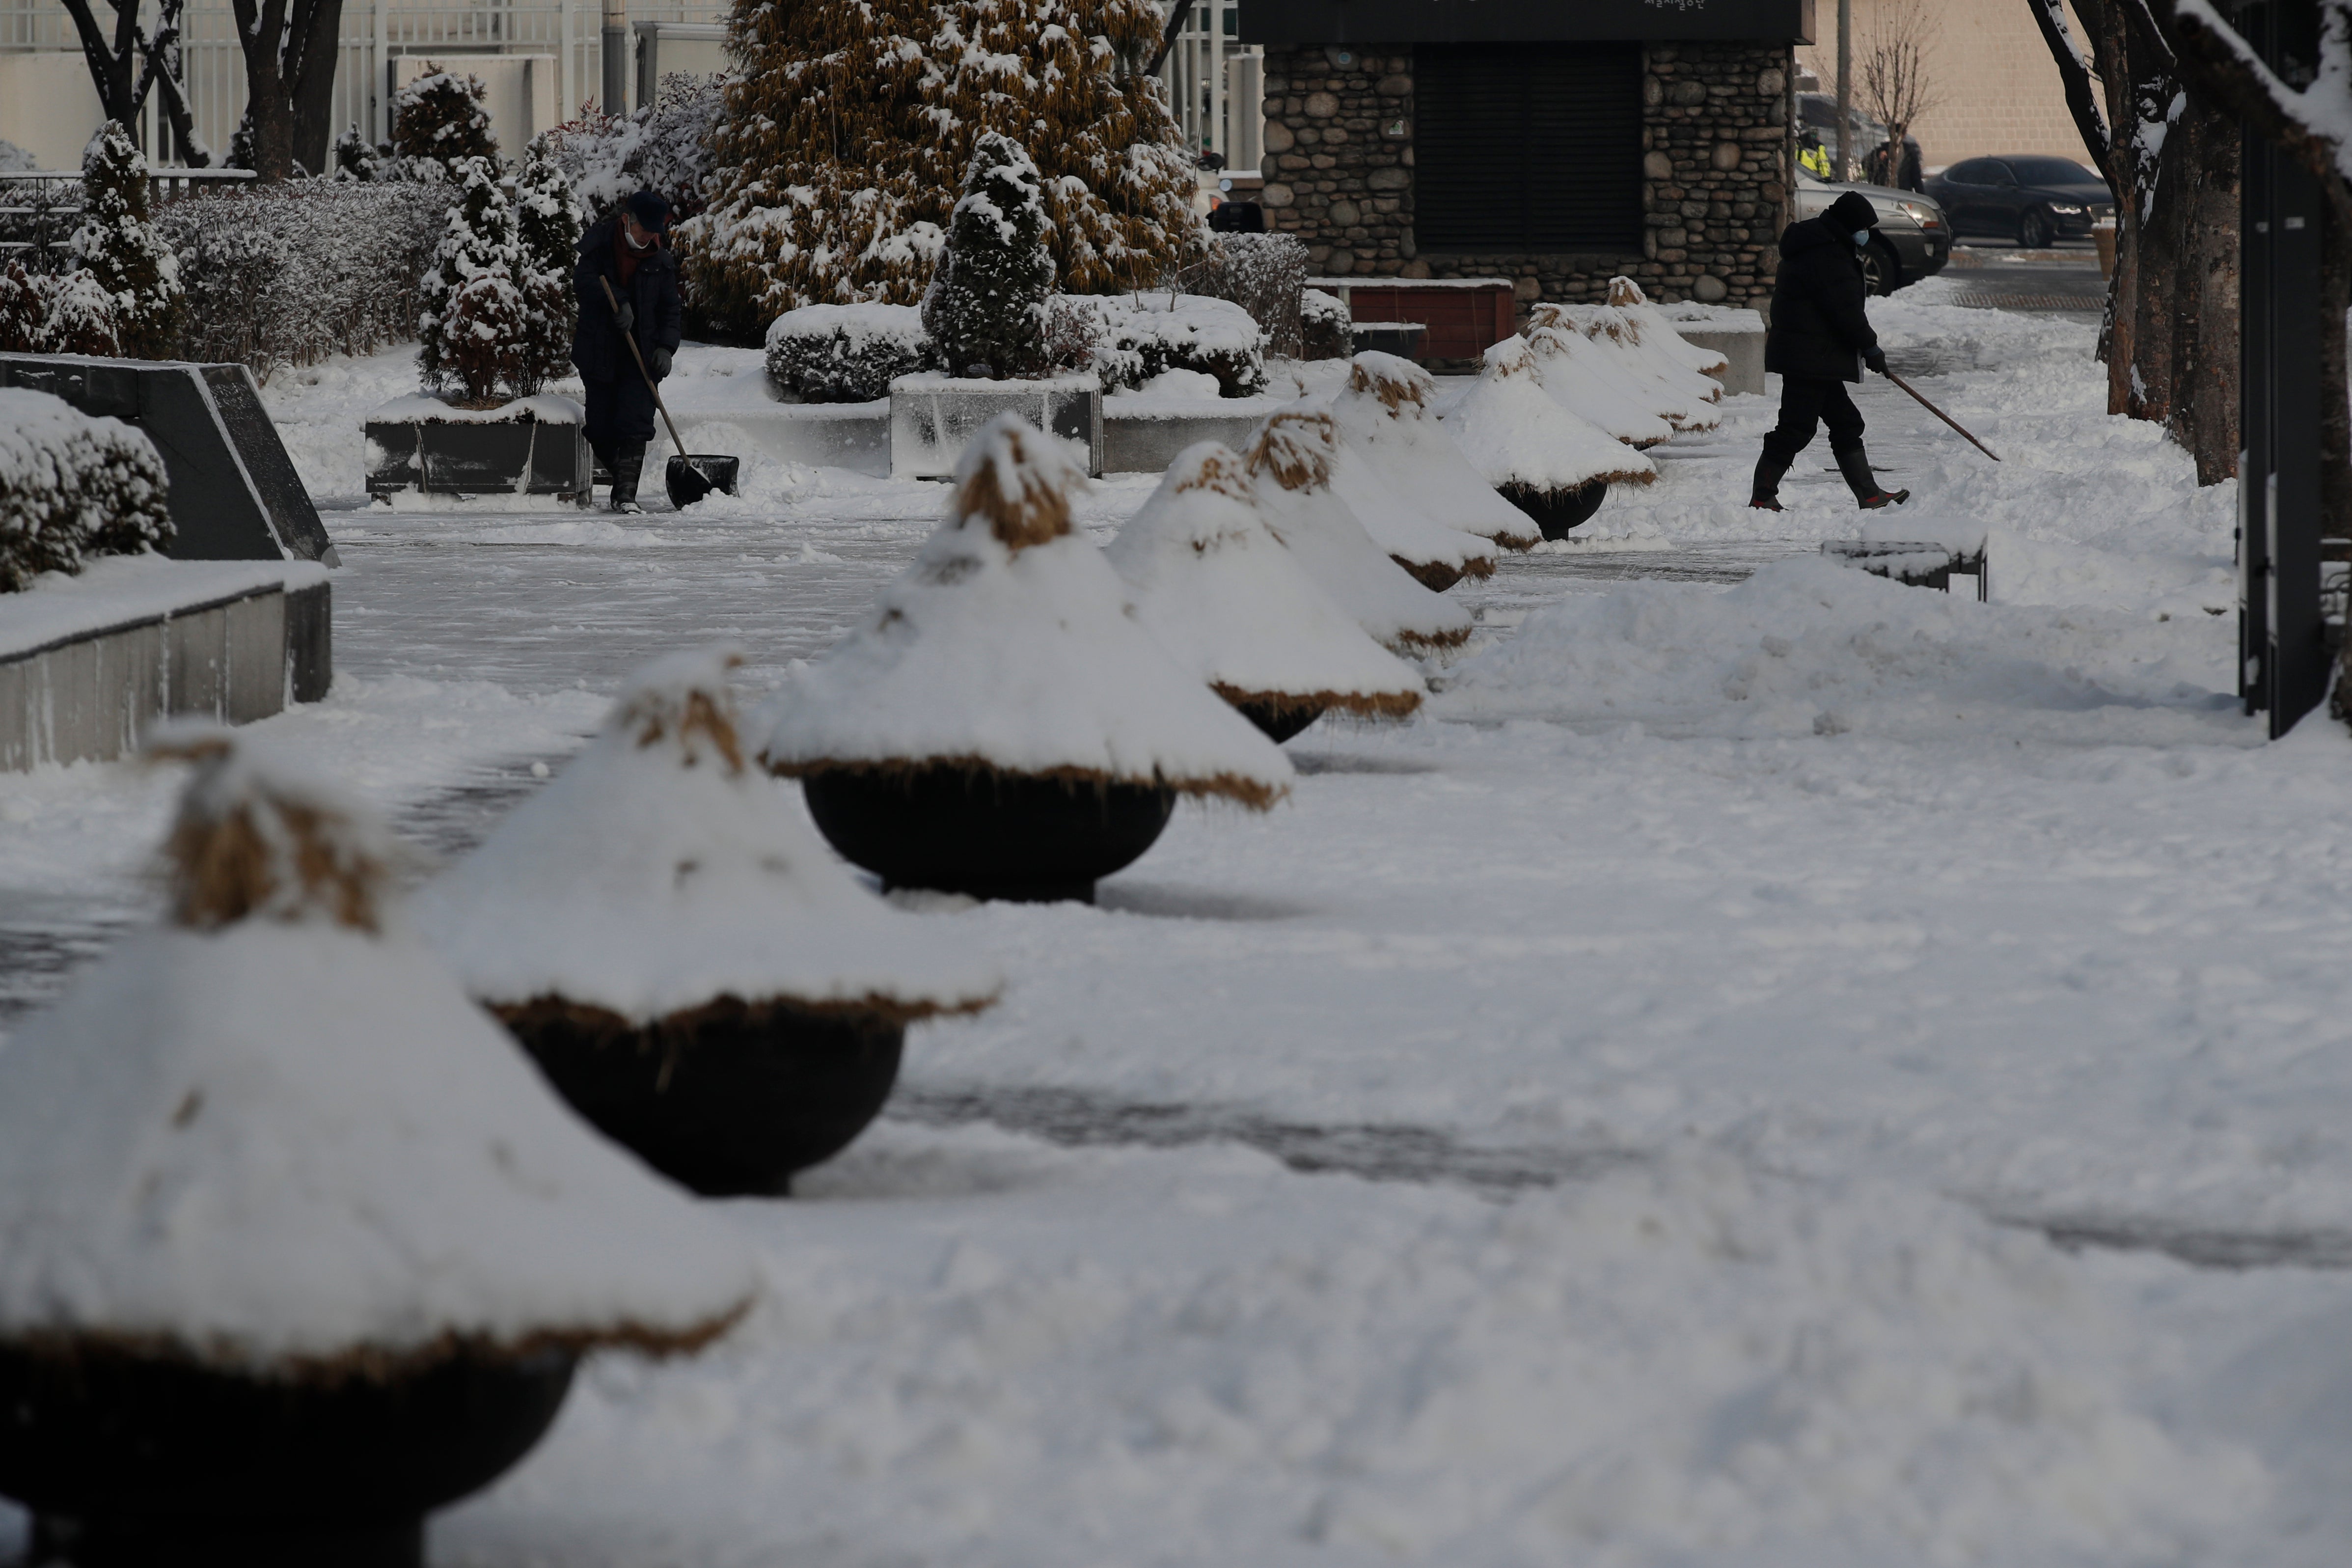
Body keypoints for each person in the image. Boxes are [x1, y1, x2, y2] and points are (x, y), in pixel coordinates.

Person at [1750, 188, 1909, 512]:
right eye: (1865, 228)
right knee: (1796, 428)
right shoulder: (1827, 255)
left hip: (1814, 354)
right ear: (1850, 225)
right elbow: (1845, 311)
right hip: (1809, 357)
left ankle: (1869, 494)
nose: (1867, 235)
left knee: (1846, 423)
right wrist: (1871, 348)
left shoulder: (1823, 244)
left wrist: (1867, 347)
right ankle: (1763, 495)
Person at [573, 189, 682, 514]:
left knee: (635, 423)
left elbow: (671, 311)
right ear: (626, 220)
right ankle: (623, 481)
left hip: (643, 356)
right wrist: (618, 301)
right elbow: (583, 282)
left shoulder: (661, 262)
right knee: (600, 428)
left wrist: (666, 347)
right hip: (600, 351)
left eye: (653, 231)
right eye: (643, 229)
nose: (648, 236)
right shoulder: (599, 247)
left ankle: (625, 496)